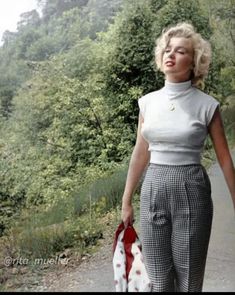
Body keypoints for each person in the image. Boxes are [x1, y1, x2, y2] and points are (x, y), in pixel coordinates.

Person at [121, 22, 235, 292]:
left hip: (191, 189)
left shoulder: (207, 106)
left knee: (188, 281)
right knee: (159, 279)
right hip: (153, 189)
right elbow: (140, 153)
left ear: (194, 62)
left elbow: (225, 160)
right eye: (167, 49)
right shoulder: (147, 102)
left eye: (181, 51)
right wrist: (126, 200)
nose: (171, 54)